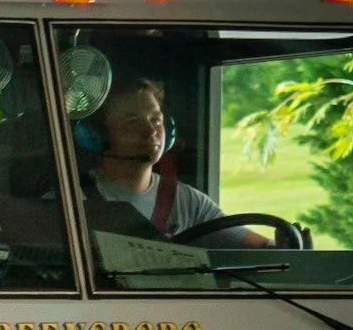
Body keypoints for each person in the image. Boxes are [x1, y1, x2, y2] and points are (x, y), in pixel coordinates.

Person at [87, 79, 266, 243]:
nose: (151, 131)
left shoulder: (187, 202)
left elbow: (256, 245)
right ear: (98, 135)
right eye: (132, 122)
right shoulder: (80, 198)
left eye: (156, 120)